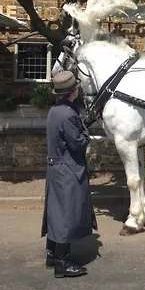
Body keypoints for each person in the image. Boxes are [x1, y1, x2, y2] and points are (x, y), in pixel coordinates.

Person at [41, 70, 97, 278]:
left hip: (56, 168)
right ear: (74, 92)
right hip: (68, 169)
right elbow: (78, 144)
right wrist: (86, 133)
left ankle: (52, 254)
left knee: (56, 212)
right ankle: (62, 264)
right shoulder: (68, 114)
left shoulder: (55, 110)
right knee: (66, 214)